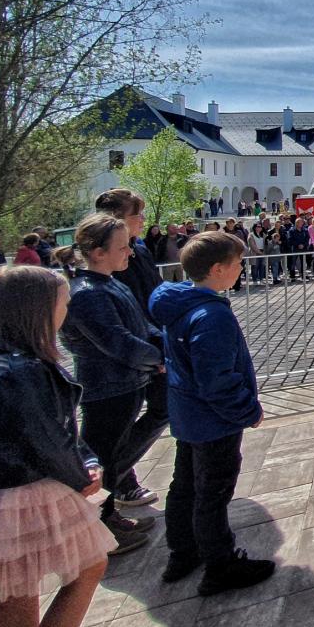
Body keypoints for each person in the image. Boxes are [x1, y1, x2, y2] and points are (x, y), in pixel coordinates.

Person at [0, 266, 117, 627]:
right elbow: (47, 436)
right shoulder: (23, 369)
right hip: (34, 488)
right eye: (63, 303)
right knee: (88, 567)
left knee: (18, 589)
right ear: (37, 309)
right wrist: (82, 473)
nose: (66, 312)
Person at [149, 232, 273, 596]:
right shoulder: (211, 316)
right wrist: (248, 410)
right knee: (212, 492)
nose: (241, 269)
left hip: (188, 414)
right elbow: (216, 380)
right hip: (214, 420)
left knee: (185, 484)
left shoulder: (179, 303)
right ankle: (220, 564)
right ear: (218, 269)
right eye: (238, 263)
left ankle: (183, 552)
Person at [55, 214, 162, 554]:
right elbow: (119, 342)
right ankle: (97, 528)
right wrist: (158, 359)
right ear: (98, 252)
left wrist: (163, 346)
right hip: (107, 387)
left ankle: (107, 514)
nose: (130, 252)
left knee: (113, 453)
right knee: (104, 455)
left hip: (125, 382)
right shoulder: (88, 294)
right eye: (122, 247)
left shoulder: (109, 284)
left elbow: (139, 327)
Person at [95, 188, 168, 510]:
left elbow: (152, 290)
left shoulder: (137, 248)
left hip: (150, 340)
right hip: (130, 352)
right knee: (117, 424)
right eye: (137, 214)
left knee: (162, 407)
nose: (143, 220)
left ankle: (115, 480)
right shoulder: (106, 265)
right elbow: (126, 312)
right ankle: (112, 483)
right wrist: (153, 350)